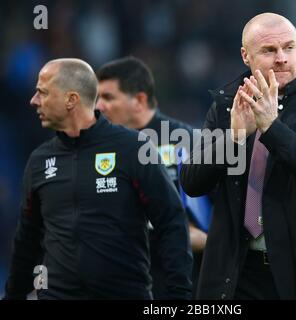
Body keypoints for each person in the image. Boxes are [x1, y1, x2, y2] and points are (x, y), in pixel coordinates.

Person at [180, 12, 296, 299]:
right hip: (238, 272)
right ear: (245, 55)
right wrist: (235, 138)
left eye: (289, 47)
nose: (281, 58)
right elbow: (192, 183)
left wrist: (272, 128)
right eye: (269, 50)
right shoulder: (227, 104)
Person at [3, 58, 192, 299]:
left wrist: (179, 296)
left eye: (42, 92)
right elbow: (27, 240)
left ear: (71, 100)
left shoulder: (132, 148)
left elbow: (170, 221)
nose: (34, 101)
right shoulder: (39, 161)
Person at [96, 56, 209, 298]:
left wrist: (210, 238)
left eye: (108, 97)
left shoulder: (188, 141)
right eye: (97, 98)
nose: (99, 107)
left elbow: (219, 210)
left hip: (183, 280)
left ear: (139, 100)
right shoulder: (102, 148)